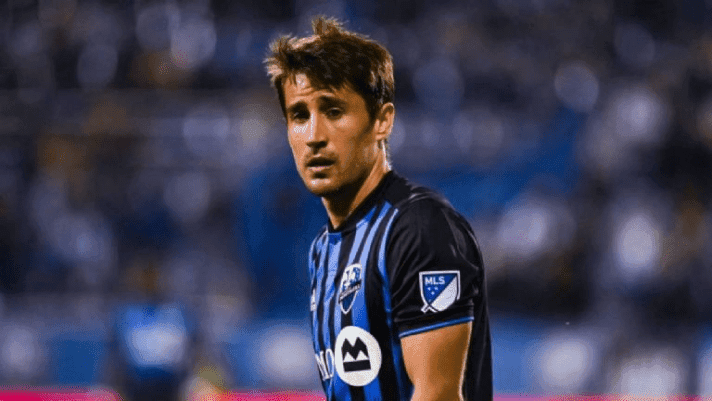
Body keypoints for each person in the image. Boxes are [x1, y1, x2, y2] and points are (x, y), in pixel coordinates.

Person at [264, 16, 492, 401]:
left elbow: (438, 394)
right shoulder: (323, 249)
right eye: (299, 115)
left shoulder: (418, 228)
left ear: (382, 121)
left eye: (334, 111)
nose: (314, 136)